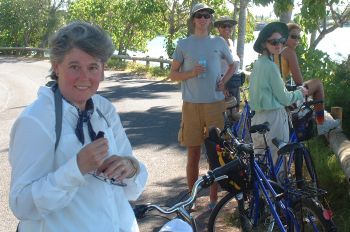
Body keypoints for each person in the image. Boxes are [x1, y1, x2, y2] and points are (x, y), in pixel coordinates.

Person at [9, 21, 148, 232]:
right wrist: (75, 169)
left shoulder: (104, 109)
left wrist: (129, 167)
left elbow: (132, 185)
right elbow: (21, 204)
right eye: (74, 66)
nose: (85, 77)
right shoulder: (35, 120)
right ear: (56, 66)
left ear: (102, 70)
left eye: (93, 67)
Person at [168, 3, 236, 210]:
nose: (203, 19)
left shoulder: (218, 42)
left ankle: (214, 200)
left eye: (207, 15)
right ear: (193, 19)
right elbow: (172, 75)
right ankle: (192, 199)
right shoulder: (183, 44)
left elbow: (233, 65)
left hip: (215, 105)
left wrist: (223, 81)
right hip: (191, 106)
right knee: (194, 154)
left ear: (210, 20)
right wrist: (192, 73)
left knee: (215, 154)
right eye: (199, 15)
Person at [249, 22, 308, 166]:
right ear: (264, 44)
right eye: (274, 42)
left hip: (257, 119)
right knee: (278, 166)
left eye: (281, 41)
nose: (279, 45)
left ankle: (262, 190)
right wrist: (300, 93)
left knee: (261, 165)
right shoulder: (271, 67)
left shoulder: (258, 64)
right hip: (273, 120)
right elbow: (285, 98)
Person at [274, 22, 340, 135]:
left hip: (274, 96)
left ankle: (315, 117)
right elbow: (299, 82)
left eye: (298, 37)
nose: (296, 40)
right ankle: (321, 123)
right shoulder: (288, 52)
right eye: (293, 36)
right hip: (284, 98)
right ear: (284, 36)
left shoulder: (275, 50)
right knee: (318, 83)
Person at [214, 16, 241, 112]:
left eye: (229, 26)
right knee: (226, 115)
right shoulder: (216, 43)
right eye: (224, 26)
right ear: (218, 28)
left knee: (235, 113)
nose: (227, 28)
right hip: (223, 82)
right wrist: (223, 85)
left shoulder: (230, 42)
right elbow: (214, 66)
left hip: (234, 82)